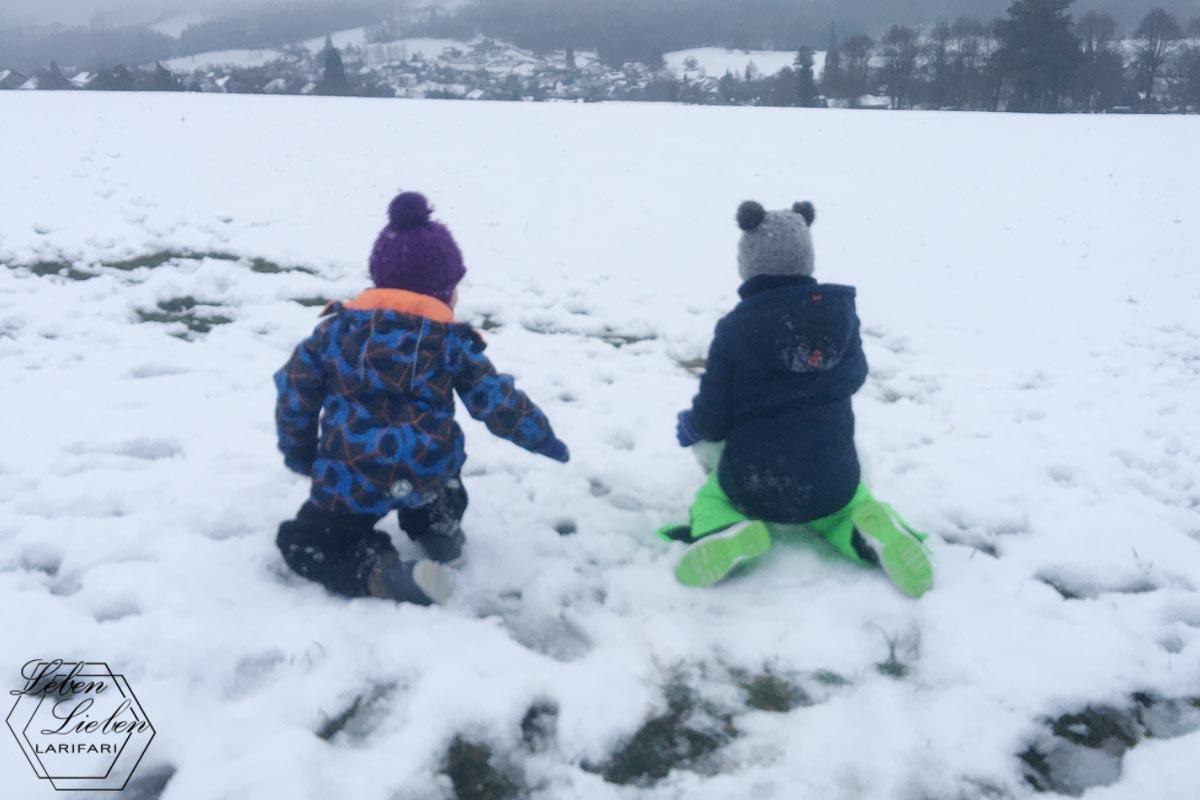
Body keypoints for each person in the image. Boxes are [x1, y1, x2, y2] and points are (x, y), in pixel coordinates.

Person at [273, 192, 569, 605]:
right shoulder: (451, 344)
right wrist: (543, 438)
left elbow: (295, 393)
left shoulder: (334, 334)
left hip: (351, 478)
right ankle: (438, 526)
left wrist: (301, 452)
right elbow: (496, 400)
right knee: (441, 480)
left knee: (304, 542)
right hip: (428, 472)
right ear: (445, 294)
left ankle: (378, 572)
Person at [664, 199, 933, 598]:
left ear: (748, 263)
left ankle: (727, 527)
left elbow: (714, 411)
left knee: (714, 496)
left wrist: (693, 427)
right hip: (832, 475)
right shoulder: (840, 317)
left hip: (753, 479)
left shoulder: (737, 327)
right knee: (844, 503)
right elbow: (855, 376)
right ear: (807, 259)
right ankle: (864, 530)